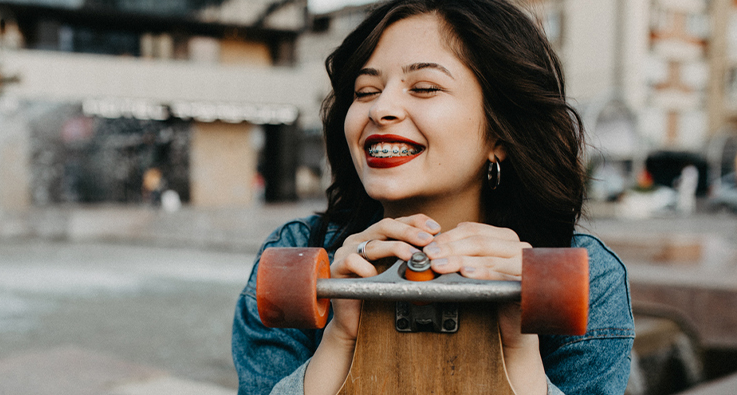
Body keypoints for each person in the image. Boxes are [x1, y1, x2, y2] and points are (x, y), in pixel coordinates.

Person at [231, 0, 635, 394]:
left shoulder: (586, 276)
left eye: (424, 88)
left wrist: (519, 350)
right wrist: (341, 339)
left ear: (501, 132)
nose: (381, 109)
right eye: (366, 90)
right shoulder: (296, 254)